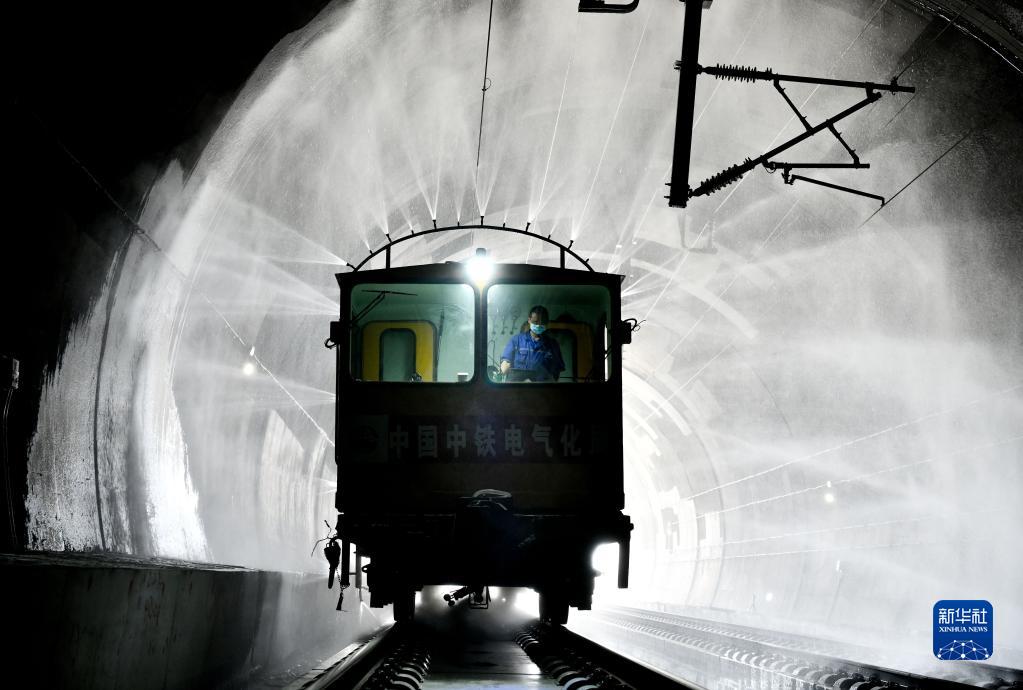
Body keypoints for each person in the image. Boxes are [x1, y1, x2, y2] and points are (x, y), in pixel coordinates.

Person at [499, 305, 565, 382]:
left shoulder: (552, 344)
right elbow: (506, 360)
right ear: (529, 320)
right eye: (535, 322)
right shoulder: (516, 340)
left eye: (542, 323)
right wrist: (505, 365)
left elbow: (557, 370)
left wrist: (551, 385)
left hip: (542, 387)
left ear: (547, 323)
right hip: (518, 387)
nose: (539, 325)